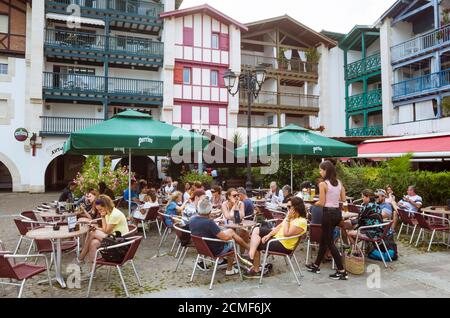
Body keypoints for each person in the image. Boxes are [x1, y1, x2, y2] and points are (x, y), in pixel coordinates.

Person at [306, 161, 349, 280]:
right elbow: (343, 199)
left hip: (328, 214)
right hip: (337, 213)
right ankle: (316, 266)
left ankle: (341, 271)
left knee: (329, 242)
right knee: (324, 240)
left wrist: (311, 203)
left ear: (326, 171)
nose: (320, 172)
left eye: (321, 170)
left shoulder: (323, 184)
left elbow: (322, 202)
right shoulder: (339, 183)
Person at [245, 197, 307, 277]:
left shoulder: (301, 221)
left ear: (296, 207)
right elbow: (279, 226)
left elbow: (286, 234)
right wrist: (268, 235)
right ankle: (251, 255)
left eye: (289, 207)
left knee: (256, 243)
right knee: (256, 229)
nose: (287, 209)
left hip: (284, 245)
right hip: (276, 238)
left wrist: (288, 219)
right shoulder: (292, 216)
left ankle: (255, 267)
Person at [189, 198, 250, 276]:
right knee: (232, 241)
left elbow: (204, 230)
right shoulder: (209, 223)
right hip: (215, 250)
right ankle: (230, 269)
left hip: (202, 249)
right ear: (210, 211)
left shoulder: (192, 219)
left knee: (230, 231)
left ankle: (247, 250)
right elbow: (225, 238)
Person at [78, 195, 129, 264]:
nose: (99, 212)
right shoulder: (109, 213)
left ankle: (81, 256)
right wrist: (99, 224)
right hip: (114, 238)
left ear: (106, 206)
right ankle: (92, 269)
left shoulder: (114, 215)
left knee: (92, 233)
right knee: (93, 243)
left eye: (100, 209)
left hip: (120, 243)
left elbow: (106, 231)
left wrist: (101, 218)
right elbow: (105, 229)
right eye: (98, 210)